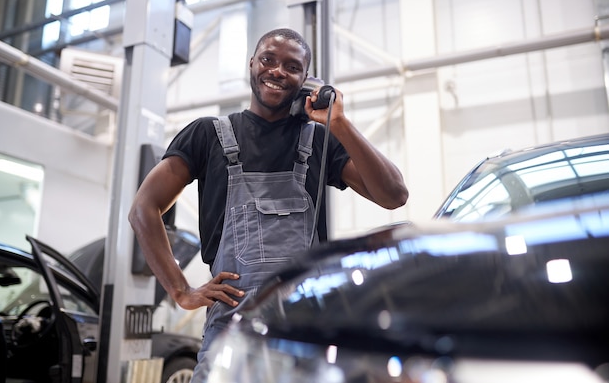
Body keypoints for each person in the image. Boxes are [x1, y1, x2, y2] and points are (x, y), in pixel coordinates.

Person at [128, 28, 409, 382]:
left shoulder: (319, 141)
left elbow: (393, 195)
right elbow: (143, 208)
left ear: (306, 80)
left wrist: (339, 123)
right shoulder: (208, 136)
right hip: (231, 333)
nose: (277, 71)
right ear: (252, 64)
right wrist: (181, 290)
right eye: (268, 60)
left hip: (305, 334)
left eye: (292, 67)